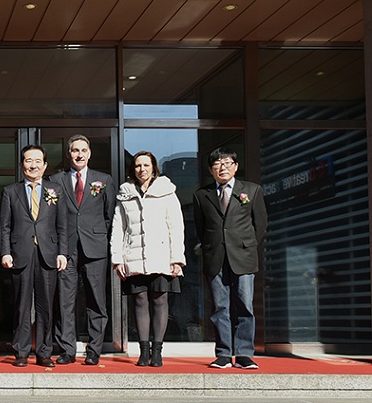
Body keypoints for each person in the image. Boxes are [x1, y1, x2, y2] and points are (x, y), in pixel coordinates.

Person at [193, 147, 267, 370]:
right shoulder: (201, 195)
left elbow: (260, 224)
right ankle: (223, 353)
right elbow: (201, 227)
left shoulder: (251, 191)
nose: (222, 167)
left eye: (227, 163)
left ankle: (244, 353)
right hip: (215, 256)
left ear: (235, 167)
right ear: (210, 169)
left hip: (243, 257)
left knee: (245, 305)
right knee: (219, 307)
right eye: (217, 164)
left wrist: (245, 245)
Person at [110, 151, 185, 367]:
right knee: (140, 301)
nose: (142, 169)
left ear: (153, 168)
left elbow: (176, 226)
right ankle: (143, 350)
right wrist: (118, 259)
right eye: (137, 166)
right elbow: (118, 228)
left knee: (160, 299)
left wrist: (176, 259)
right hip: (133, 255)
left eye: (146, 165)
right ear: (132, 169)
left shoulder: (167, 191)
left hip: (161, 256)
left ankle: (158, 350)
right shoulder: (125, 193)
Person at [0, 144, 68, 367]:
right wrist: (5, 252)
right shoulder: (11, 191)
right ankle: (21, 351)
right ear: (22, 165)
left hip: (48, 254)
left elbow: (62, 226)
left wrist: (63, 253)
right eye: (29, 161)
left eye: (38, 161)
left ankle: (44, 351)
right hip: (21, 254)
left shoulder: (55, 190)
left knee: (46, 306)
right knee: (21, 305)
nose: (33, 165)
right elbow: (5, 226)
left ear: (45, 165)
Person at [52, 134, 116, 366]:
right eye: (75, 150)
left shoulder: (104, 179)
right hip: (65, 249)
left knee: (96, 301)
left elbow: (111, 216)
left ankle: (94, 350)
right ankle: (67, 349)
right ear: (69, 154)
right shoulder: (55, 180)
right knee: (64, 302)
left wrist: (102, 239)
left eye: (83, 150)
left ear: (89, 154)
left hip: (95, 248)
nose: (79, 154)